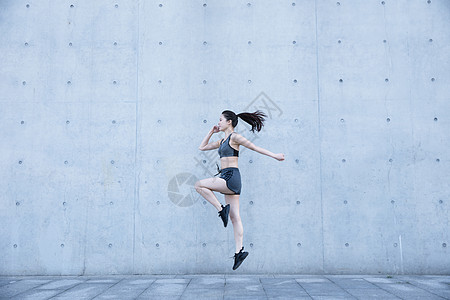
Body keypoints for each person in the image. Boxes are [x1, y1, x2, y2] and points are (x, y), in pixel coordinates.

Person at [195, 110, 285, 270]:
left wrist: (274, 155)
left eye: (221, 120)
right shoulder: (221, 141)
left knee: (199, 185)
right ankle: (239, 252)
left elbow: (255, 147)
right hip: (227, 177)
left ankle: (221, 209)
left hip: (230, 177)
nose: (219, 123)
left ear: (229, 122)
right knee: (235, 218)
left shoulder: (234, 137)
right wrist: (211, 131)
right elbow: (202, 147)